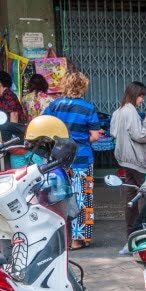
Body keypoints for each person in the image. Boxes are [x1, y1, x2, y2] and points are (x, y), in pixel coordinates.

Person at [43, 71, 101, 250]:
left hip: (59, 160)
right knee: (82, 198)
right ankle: (78, 239)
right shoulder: (87, 107)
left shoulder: (54, 106)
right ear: (82, 86)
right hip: (82, 158)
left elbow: (44, 127)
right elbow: (95, 136)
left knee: (58, 198)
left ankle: (62, 239)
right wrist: (81, 140)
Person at [111, 81, 146, 254]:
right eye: (141, 96)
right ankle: (142, 234)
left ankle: (130, 236)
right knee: (145, 196)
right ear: (135, 95)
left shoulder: (118, 112)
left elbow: (113, 133)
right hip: (136, 161)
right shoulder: (130, 111)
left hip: (123, 160)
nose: (142, 100)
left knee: (131, 196)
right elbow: (140, 135)